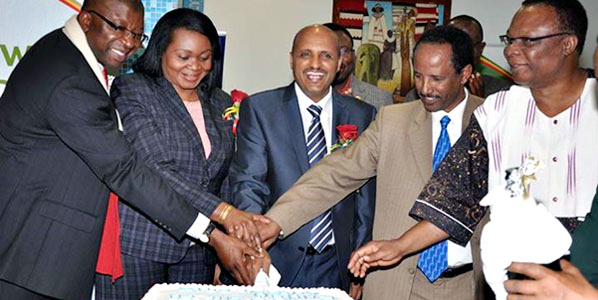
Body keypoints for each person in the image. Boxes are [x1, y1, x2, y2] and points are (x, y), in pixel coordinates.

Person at [0, 1, 259, 299]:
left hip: (41, 254)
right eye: (118, 27)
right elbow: (127, 169)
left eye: (136, 35)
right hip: (33, 254)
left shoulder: (65, 55)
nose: (128, 42)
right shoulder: (73, 77)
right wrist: (214, 230)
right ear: (85, 19)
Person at [347, 0, 597, 296]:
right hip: (507, 286)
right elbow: (457, 196)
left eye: (527, 41)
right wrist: (399, 246)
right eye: (510, 39)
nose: (510, 51)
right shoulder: (498, 111)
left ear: (568, 44)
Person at [256, 26, 484, 300]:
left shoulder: (492, 120)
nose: (424, 88)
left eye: (437, 79)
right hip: (395, 284)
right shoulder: (393, 121)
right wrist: (276, 221)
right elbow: (335, 174)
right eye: (419, 76)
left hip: (467, 285)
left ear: (466, 74)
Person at [94, 8, 253, 299]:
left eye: (205, 58)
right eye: (184, 57)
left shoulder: (219, 101)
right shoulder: (133, 89)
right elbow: (155, 167)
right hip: (140, 245)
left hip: (199, 251)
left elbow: (224, 175)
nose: (195, 67)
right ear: (160, 51)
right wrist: (226, 214)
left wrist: (226, 243)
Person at [229, 25, 376, 298]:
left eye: (326, 56)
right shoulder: (262, 109)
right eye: (305, 55)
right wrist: (254, 248)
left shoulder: (362, 114)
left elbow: (365, 199)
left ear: (340, 61)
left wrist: (360, 265)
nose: (315, 65)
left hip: (338, 263)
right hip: (276, 259)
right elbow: (249, 184)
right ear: (291, 59)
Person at [404, 15, 512, 102]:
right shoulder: (415, 97)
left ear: (480, 48)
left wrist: (478, 103)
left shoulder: (502, 93)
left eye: (466, 44)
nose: (458, 51)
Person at [323, 23, 392, 110]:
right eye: (326, 53)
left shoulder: (380, 100)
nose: (337, 59)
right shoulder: (303, 96)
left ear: (353, 56)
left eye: (344, 51)